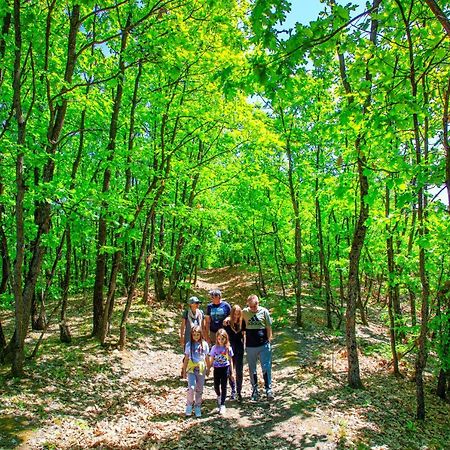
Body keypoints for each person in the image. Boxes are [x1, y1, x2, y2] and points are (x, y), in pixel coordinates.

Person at [242, 294, 274, 400]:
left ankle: (268, 389)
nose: (252, 308)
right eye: (250, 306)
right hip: (251, 346)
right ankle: (254, 390)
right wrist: (228, 318)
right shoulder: (245, 312)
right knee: (252, 369)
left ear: (258, 303)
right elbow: (235, 315)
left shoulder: (264, 311)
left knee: (266, 367)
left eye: (254, 306)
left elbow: (269, 327)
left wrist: (269, 340)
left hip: (263, 345)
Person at [181, 325, 209, 418]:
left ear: (201, 335)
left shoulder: (204, 344)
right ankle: (189, 405)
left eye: (198, 335)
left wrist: (208, 368)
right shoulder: (189, 345)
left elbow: (207, 357)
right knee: (191, 387)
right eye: (194, 335)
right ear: (191, 335)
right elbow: (186, 358)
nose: (196, 337)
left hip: (201, 368)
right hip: (191, 368)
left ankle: (197, 406)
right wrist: (184, 371)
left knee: (199, 388)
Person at [209, 328, 234, 414]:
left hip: (225, 368)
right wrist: (208, 368)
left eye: (222, 339)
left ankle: (223, 404)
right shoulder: (214, 348)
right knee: (216, 385)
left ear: (226, 338)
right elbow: (211, 359)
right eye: (219, 339)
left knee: (224, 385)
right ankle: (219, 396)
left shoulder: (228, 348)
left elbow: (230, 360)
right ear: (217, 339)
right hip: (216, 368)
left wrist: (232, 372)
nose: (220, 341)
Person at [224, 304, 245, 401]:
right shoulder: (227, 323)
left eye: (238, 314)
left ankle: (239, 391)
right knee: (230, 370)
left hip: (240, 347)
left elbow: (245, 334)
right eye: (234, 314)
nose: (236, 316)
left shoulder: (243, 322)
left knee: (239, 370)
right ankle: (233, 389)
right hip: (230, 347)